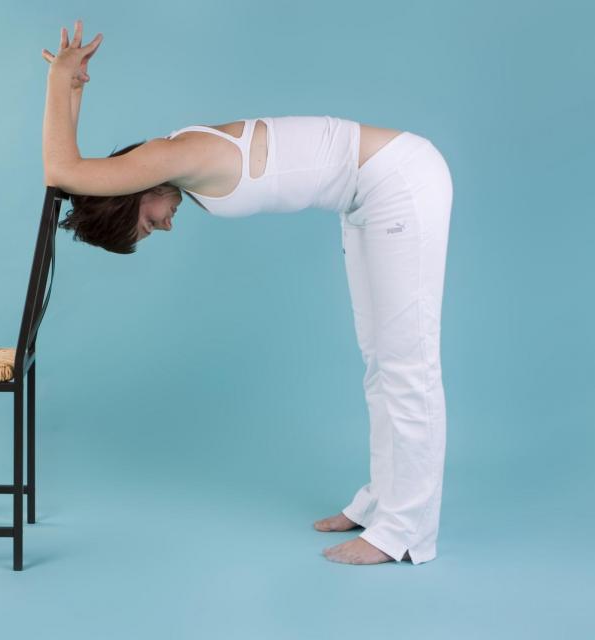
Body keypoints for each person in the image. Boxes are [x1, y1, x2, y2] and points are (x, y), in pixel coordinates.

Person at [42, 20, 453, 565]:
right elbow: (69, 179)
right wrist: (73, 89)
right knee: (381, 361)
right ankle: (383, 503)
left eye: (145, 223)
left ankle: (406, 532)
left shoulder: (174, 156)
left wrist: (57, 78)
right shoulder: (171, 164)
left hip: (399, 182)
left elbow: (59, 168)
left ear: (129, 193)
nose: (163, 228)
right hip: (365, 198)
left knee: (408, 364)